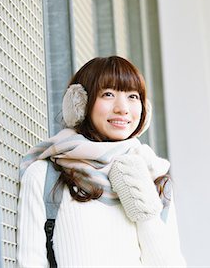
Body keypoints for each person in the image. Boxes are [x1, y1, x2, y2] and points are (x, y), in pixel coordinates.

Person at [17, 56, 186, 267]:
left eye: (133, 96)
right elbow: (29, 261)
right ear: (80, 103)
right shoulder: (45, 176)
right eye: (108, 94)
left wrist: (144, 207)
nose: (122, 108)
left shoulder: (154, 179)